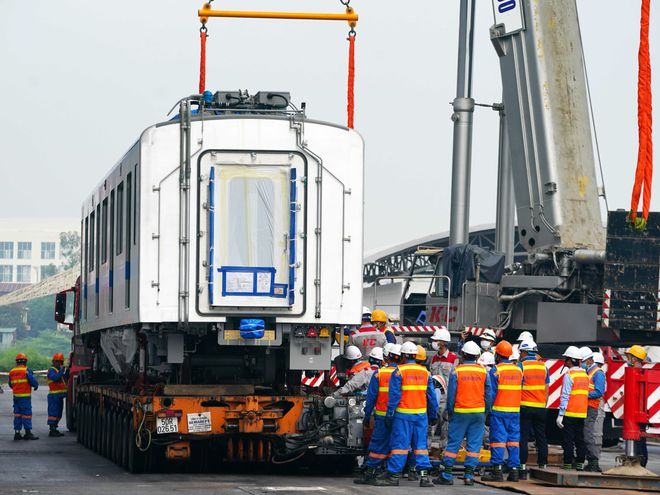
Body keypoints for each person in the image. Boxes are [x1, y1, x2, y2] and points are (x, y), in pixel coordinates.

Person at [373, 341, 438, 487]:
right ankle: (424, 477)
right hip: (421, 416)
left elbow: (394, 396)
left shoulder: (399, 372)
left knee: (400, 446)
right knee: (420, 446)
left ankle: (394, 476)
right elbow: (432, 397)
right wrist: (433, 415)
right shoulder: (425, 373)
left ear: (402, 355)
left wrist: (389, 415)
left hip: (402, 416)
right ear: (415, 355)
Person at [434, 340, 493, 486]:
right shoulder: (483, 371)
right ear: (477, 355)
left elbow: (451, 395)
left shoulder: (457, 371)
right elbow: (489, 394)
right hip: (478, 413)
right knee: (474, 445)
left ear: (463, 354)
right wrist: (486, 411)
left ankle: (447, 474)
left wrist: (450, 412)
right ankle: (469, 476)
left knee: (454, 443)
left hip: (460, 412)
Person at [354, 344, 401, 485]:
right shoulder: (403, 373)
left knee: (377, 444)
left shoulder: (379, 374)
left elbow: (371, 398)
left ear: (385, 358)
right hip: (400, 417)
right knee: (398, 445)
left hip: (381, 416)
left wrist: (367, 416)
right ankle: (392, 473)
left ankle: (370, 473)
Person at [482, 340, 523, 482]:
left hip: (499, 412)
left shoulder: (496, 371)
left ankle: (497, 472)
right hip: (515, 412)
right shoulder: (518, 370)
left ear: (498, 355)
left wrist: (487, 412)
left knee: (498, 441)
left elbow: (491, 394)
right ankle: (514, 471)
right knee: (513, 441)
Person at [518, 339, 548, 479]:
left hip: (525, 406)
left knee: (523, 437)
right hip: (540, 407)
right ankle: (543, 465)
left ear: (524, 352)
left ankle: (522, 467)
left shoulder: (521, 366)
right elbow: (546, 389)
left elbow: (517, 387)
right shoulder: (544, 367)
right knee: (541, 436)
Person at [556, 346, 589, 471]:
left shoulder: (569, 375)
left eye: (566, 359)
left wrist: (560, 415)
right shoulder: (585, 375)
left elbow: (565, 395)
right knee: (580, 439)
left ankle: (568, 464)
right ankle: (580, 463)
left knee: (568, 440)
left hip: (570, 413)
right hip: (581, 413)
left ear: (570, 360)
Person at [579, 347, 606, 472]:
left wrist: (583, 395)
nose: (581, 363)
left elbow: (599, 392)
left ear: (589, 360)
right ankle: (590, 461)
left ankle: (593, 461)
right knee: (585, 434)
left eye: (583, 361)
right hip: (586, 407)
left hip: (592, 407)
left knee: (588, 435)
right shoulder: (590, 372)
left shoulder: (598, 373)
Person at [626, 345, 649, 467]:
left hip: (638, 411)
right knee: (640, 439)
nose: (628, 359)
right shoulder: (639, 370)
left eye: (629, 356)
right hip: (638, 410)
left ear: (634, 358)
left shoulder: (637, 371)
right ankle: (640, 462)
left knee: (639, 439)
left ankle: (641, 463)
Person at [8, 353, 39, 440]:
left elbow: (10, 384)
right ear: (25, 361)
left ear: (17, 362)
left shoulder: (12, 372)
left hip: (16, 397)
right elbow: (33, 381)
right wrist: (35, 386)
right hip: (25, 397)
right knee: (26, 414)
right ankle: (28, 433)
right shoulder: (26, 371)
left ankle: (17, 433)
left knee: (17, 414)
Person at [46, 353, 69, 437]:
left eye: (61, 362)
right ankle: (52, 429)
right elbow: (55, 378)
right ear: (54, 362)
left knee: (59, 413)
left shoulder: (59, 371)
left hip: (59, 396)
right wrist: (61, 371)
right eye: (58, 362)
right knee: (53, 413)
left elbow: (64, 380)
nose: (60, 364)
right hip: (54, 396)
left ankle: (55, 428)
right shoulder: (52, 370)